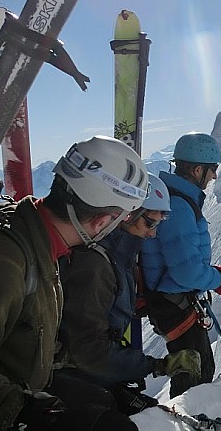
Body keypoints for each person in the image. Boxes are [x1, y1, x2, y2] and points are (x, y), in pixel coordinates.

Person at [0, 136, 150, 431]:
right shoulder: (5, 257)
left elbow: (27, 339)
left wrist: (104, 391)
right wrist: (37, 417)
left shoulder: (40, 244)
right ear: (102, 220)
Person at [57, 174, 201, 412]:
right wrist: (158, 366)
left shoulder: (122, 258)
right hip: (78, 382)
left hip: (94, 377)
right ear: (127, 215)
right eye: (150, 223)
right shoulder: (95, 264)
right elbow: (88, 351)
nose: (153, 233)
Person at [140, 132, 221, 399]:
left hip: (172, 299)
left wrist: (220, 278)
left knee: (196, 372)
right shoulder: (179, 206)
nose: (214, 176)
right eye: (212, 169)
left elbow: (184, 261)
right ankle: (190, 429)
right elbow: (186, 271)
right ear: (197, 169)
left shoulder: (176, 198)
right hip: (173, 302)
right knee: (195, 379)